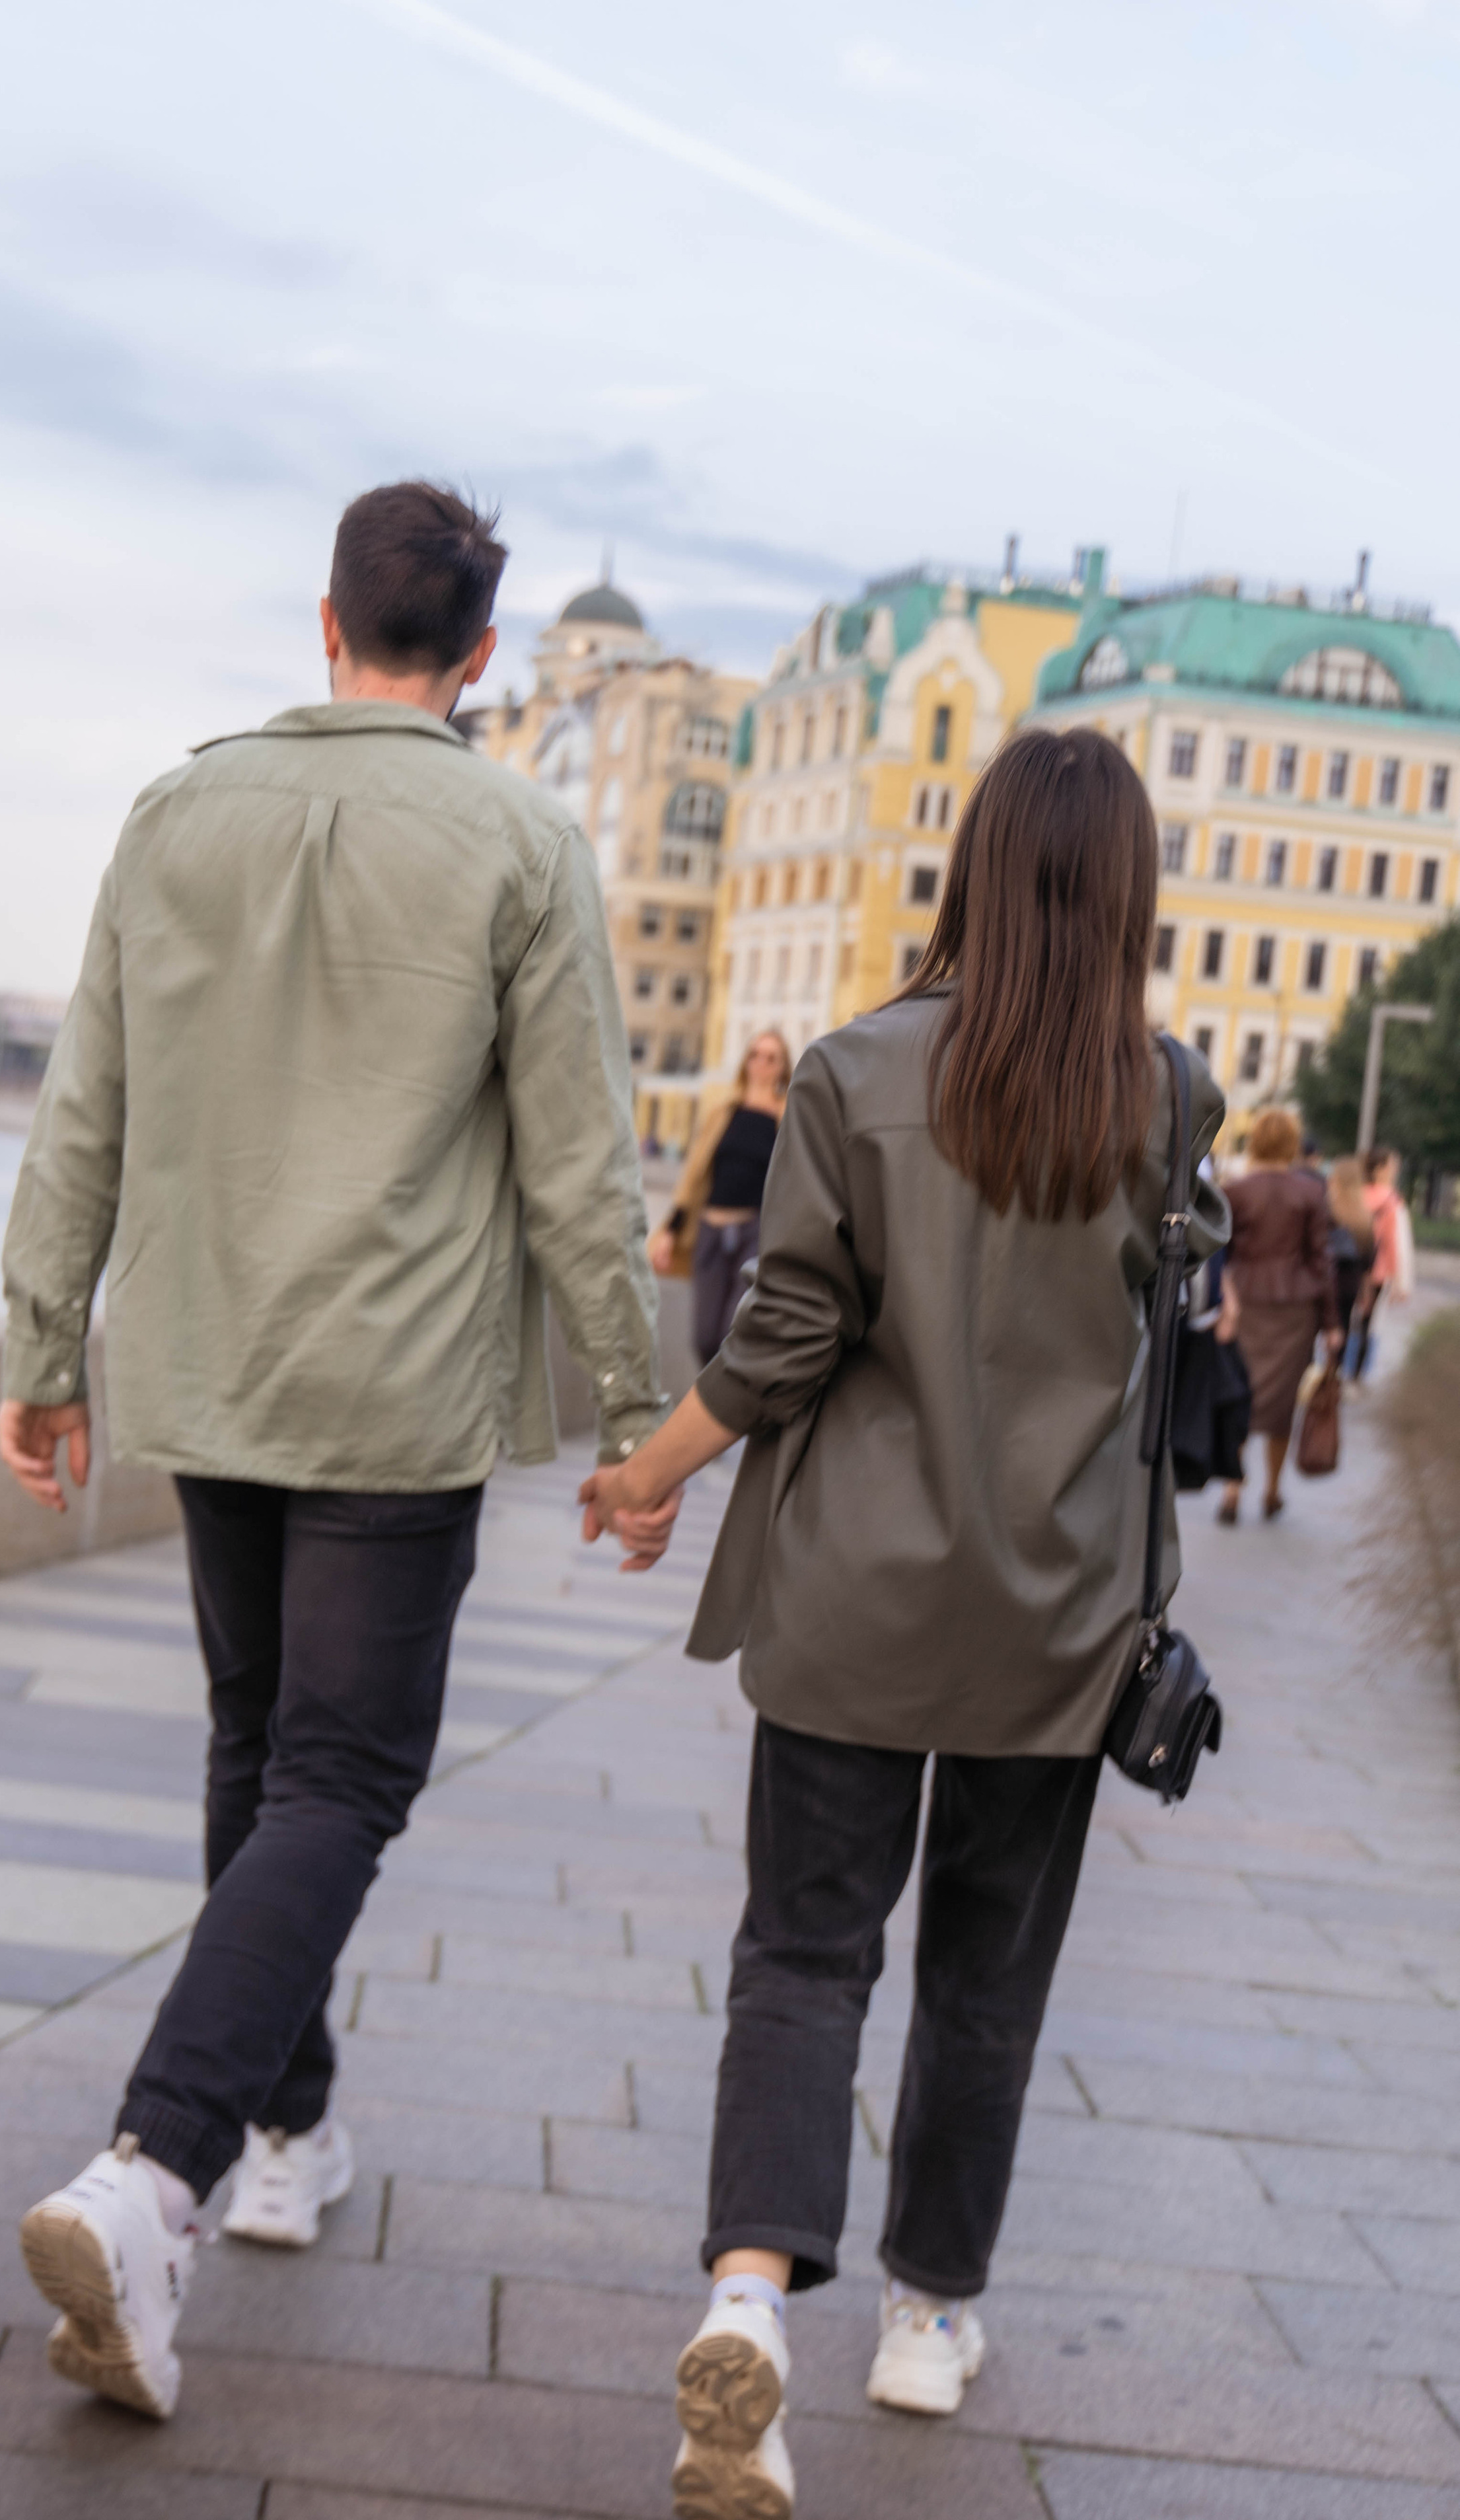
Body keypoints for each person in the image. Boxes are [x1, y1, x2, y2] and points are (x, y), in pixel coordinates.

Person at [0, 481, 669, 2422]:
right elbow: (578, 1169)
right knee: (339, 1775)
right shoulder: (522, 838)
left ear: (324, 623)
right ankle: (155, 2168)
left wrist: (46, 1339)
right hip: (392, 1384)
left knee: (255, 1745)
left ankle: (284, 2129)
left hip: (211, 1364)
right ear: (475, 657)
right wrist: (635, 1422)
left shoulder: (172, 810)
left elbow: (83, 1102)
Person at [582, 725, 1226, 2520]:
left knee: (804, 1949)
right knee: (986, 1979)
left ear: (971, 864)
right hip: (1058, 1619)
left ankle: (748, 2295)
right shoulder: (1166, 1093)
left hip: (856, 1600)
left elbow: (784, 1343)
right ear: (1130, 892)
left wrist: (649, 1469)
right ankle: (931, 2316)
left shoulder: (857, 1073)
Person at [1216, 1109, 1339, 1525]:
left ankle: (1233, 1491)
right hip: (1294, 1311)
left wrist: (1222, 1305)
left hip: (1245, 1305)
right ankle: (1272, 1490)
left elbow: (1221, 1256)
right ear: (1292, 1145)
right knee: (1281, 1406)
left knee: (1241, 1396)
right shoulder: (1310, 1194)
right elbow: (1322, 1261)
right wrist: (1333, 1323)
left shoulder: (1234, 1191)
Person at [649, 1031, 791, 1362]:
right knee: (704, 1337)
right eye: (756, 1055)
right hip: (710, 1231)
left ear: (783, 1067)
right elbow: (694, 1174)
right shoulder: (724, 1112)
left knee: (734, 1332)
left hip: (753, 1235)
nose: (762, 1064)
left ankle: (723, 1411)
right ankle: (710, 1402)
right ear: (746, 1061)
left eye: (772, 1058)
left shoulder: (787, 1118)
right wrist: (670, 1230)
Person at [1348, 1145, 1415, 1380]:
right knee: (1367, 1323)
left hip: (1348, 1267)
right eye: (1392, 1165)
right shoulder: (1391, 1200)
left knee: (1347, 1318)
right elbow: (1394, 1244)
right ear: (1379, 1169)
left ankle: (1334, 1372)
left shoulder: (1355, 1195)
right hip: (1376, 1272)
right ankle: (1355, 1375)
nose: (1396, 1169)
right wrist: (1400, 1281)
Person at [1324, 1154, 1377, 1355]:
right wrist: (1366, 1292)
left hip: (1325, 1281)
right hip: (1350, 1284)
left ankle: (1312, 1375)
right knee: (1343, 1329)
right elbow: (1368, 1261)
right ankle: (1333, 1375)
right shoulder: (1365, 1217)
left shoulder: (1327, 1210)